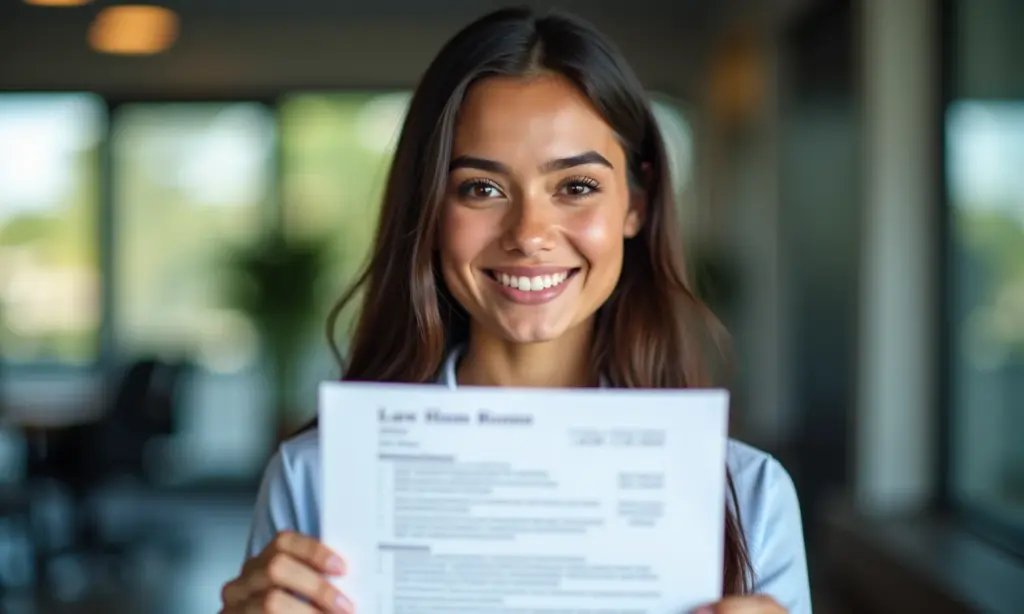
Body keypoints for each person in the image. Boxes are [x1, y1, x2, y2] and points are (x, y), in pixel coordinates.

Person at [219, 6, 811, 614]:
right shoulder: (316, 477)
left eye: (576, 187)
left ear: (636, 203)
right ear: (430, 213)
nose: (529, 233)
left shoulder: (748, 495)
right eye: (481, 188)